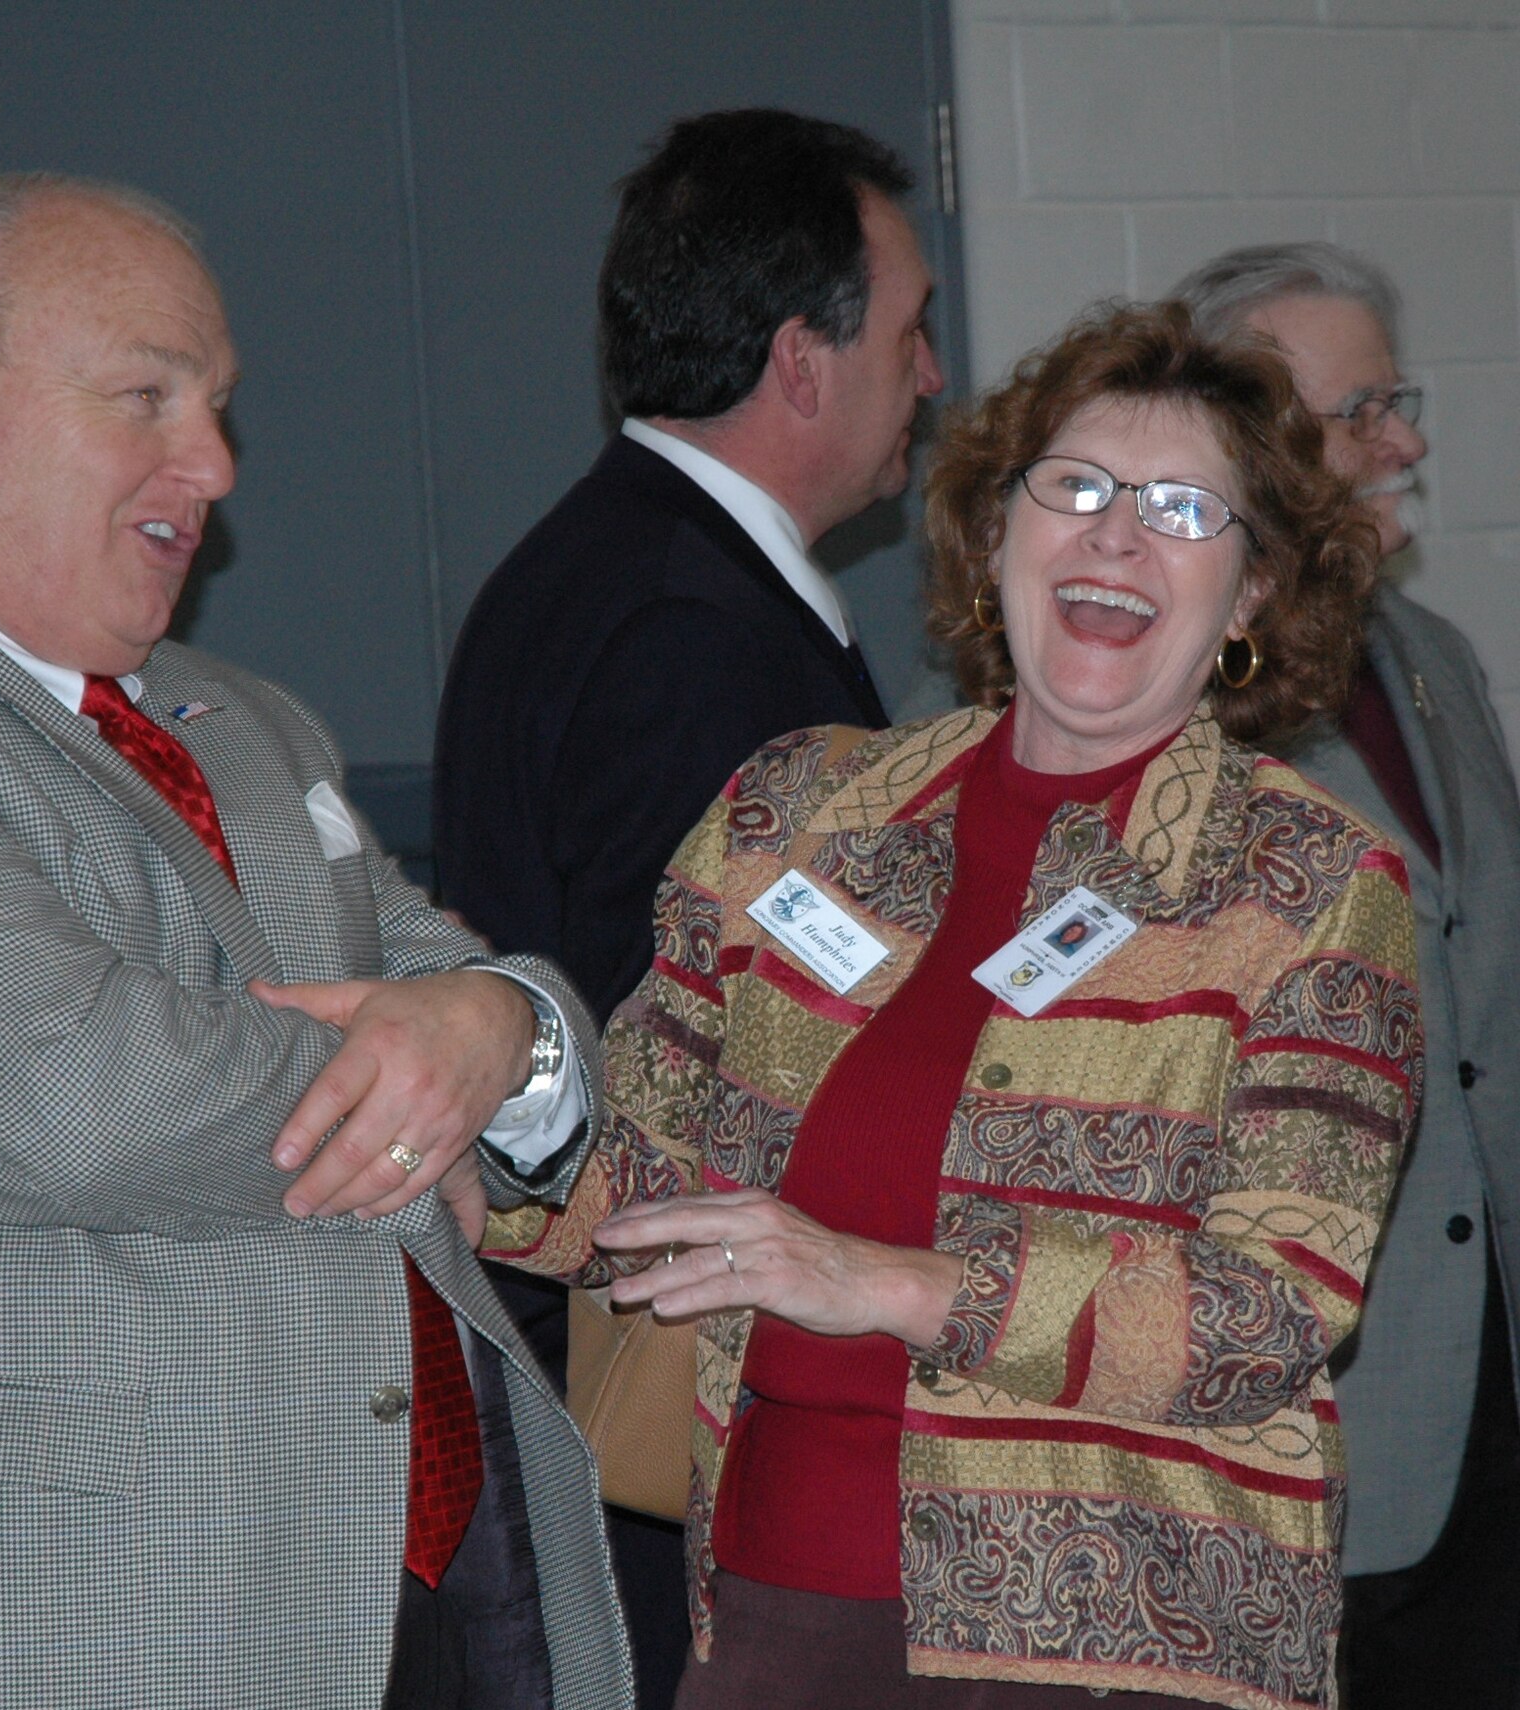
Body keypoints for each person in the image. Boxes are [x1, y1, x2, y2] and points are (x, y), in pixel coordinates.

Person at [0, 173, 632, 1710]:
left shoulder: (247, 721)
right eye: (147, 398)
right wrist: (431, 1056)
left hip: (424, 1597)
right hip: (62, 1633)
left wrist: (501, 1028)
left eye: (220, 406)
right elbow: (87, 1098)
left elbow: (475, 981)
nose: (215, 463)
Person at [465, 303, 1420, 1708]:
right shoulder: (796, 813)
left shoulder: (1313, 884)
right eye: (1077, 487)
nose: (1114, 534)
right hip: (772, 1613)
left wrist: (881, 1281)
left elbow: (1265, 1313)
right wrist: (503, 1094)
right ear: (993, 535)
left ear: (1258, 592)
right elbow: (636, 1191)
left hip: (1125, 1633)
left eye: (1181, 508)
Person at [433, 108, 942, 1700]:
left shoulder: (627, 566)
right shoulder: (686, 631)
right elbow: (711, 1071)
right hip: (689, 1434)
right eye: (914, 330)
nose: (933, 375)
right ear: (803, 360)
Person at [1174, 242, 1520, 1708]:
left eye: (1404, 399)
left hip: (1483, 1399)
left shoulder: (1436, 655)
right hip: (1295, 1432)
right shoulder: (1175, 696)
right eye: (1365, 407)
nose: (1410, 441)